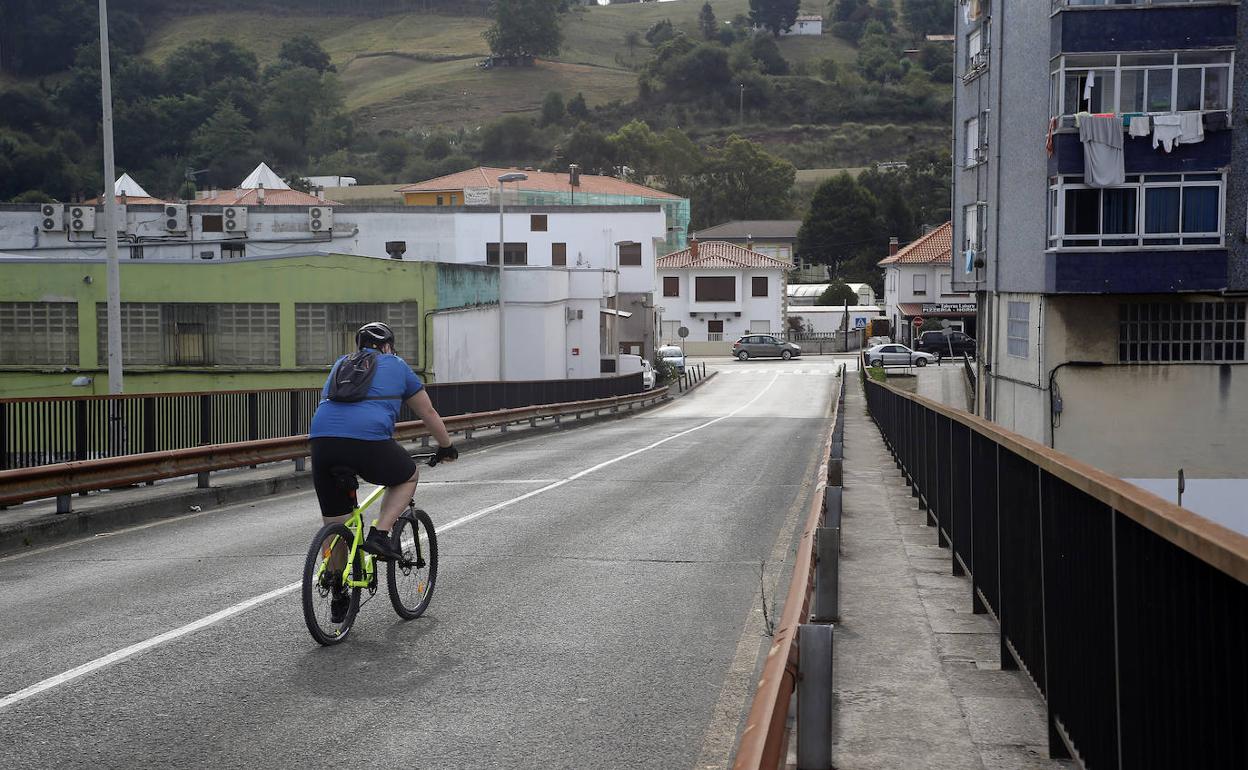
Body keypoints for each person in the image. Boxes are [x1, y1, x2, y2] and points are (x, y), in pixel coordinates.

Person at [309, 321, 457, 583]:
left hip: (322, 441)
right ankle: (380, 534)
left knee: (336, 522)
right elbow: (427, 412)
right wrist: (446, 446)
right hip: (367, 440)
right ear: (388, 346)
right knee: (407, 476)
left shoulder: (341, 363)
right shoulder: (397, 365)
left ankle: (335, 588)